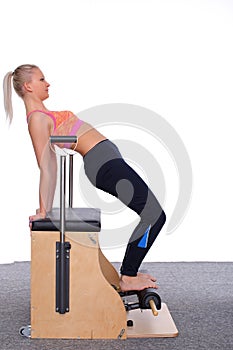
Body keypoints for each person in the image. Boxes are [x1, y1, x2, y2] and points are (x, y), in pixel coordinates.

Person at [3, 64, 166, 292]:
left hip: (107, 161)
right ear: (28, 86)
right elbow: (47, 166)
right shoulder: (37, 119)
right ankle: (128, 276)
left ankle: (129, 272)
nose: (48, 83)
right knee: (154, 215)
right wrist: (43, 211)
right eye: (42, 79)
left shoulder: (44, 114)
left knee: (152, 213)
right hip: (103, 164)